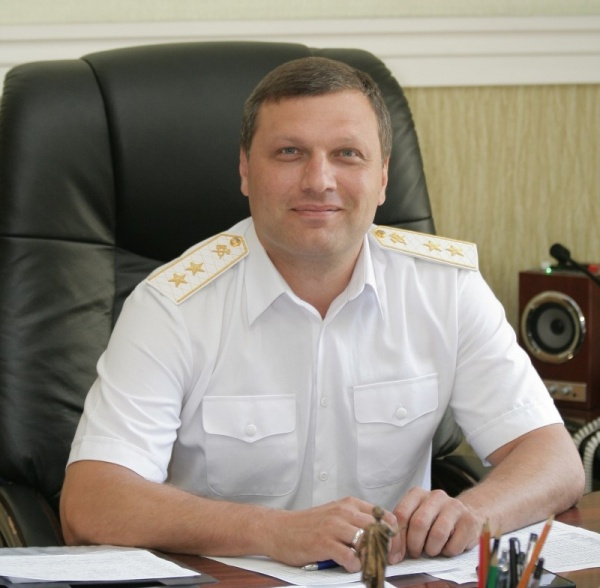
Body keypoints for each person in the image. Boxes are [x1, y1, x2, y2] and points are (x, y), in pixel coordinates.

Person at [60, 56, 584, 574]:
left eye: (347, 154)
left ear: (383, 176)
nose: (319, 180)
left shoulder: (445, 288)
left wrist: (472, 513)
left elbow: (554, 459)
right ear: (245, 169)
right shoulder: (172, 306)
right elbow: (90, 502)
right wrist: (272, 531)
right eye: (289, 152)